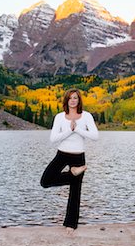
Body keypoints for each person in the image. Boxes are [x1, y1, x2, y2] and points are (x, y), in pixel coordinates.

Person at [40, 88, 99, 234]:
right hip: (62, 154)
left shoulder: (86, 116)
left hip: (78, 155)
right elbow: (53, 139)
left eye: (76, 98)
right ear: (66, 100)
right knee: (45, 181)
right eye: (70, 98)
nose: (73, 100)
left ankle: (70, 225)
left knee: (75, 191)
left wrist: (77, 129)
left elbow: (95, 136)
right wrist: (69, 130)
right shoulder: (60, 117)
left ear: (79, 100)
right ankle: (72, 174)